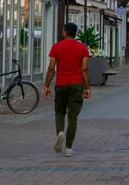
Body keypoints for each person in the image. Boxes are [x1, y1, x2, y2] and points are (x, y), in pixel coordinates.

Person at [44, 23, 91, 158]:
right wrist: (87, 87)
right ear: (75, 33)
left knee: (59, 111)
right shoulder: (82, 48)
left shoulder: (56, 47)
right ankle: (69, 148)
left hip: (61, 84)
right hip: (76, 85)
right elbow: (85, 69)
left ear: (64, 32)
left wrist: (47, 85)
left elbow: (51, 68)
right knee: (73, 117)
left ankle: (60, 132)